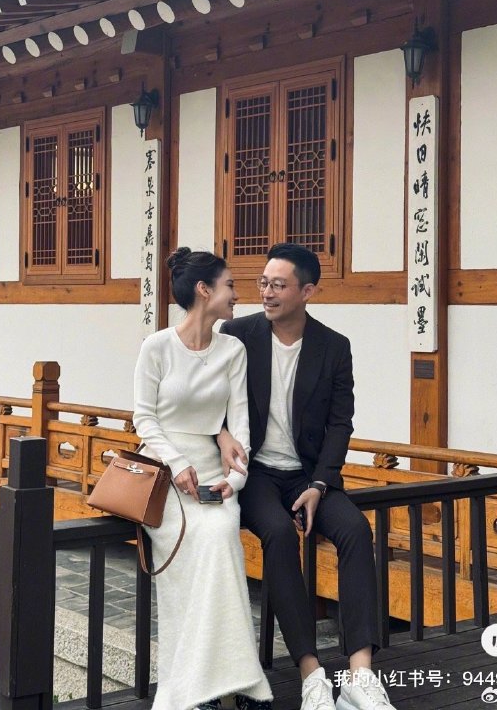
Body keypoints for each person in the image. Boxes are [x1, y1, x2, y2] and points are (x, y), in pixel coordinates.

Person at [219, 243, 395, 710]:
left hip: (308, 475)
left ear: (307, 291)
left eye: (278, 285)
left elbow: (340, 423)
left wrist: (320, 484)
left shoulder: (333, 346)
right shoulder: (237, 335)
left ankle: (360, 675)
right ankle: (311, 674)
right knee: (278, 533)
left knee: (356, 530)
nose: (267, 292)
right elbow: (211, 399)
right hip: (256, 472)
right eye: (263, 283)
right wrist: (220, 434)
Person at [132, 247, 273, 710]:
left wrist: (237, 481)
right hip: (163, 474)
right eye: (230, 285)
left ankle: (230, 682)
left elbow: (240, 425)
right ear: (204, 290)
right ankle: (221, 686)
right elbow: (144, 419)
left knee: (220, 536)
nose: (237, 294)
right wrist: (176, 463)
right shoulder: (156, 347)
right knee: (198, 553)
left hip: (214, 475)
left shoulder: (233, 350)